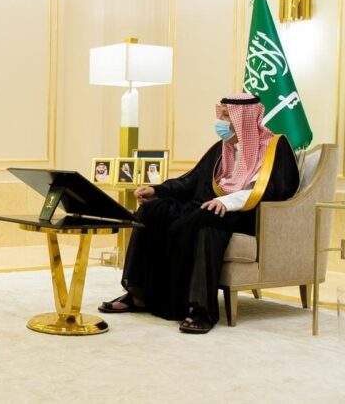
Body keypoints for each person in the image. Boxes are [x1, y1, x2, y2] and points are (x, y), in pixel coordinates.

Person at [98, 94, 299, 334]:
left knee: (206, 221)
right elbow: (191, 180)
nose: (221, 123)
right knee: (153, 210)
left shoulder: (275, 148)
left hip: (244, 214)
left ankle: (201, 309)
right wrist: (157, 190)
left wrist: (226, 202)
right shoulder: (222, 148)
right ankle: (138, 294)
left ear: (244, 118)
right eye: (221, 116)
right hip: (209, 207)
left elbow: (271, 189)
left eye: (227, 116)